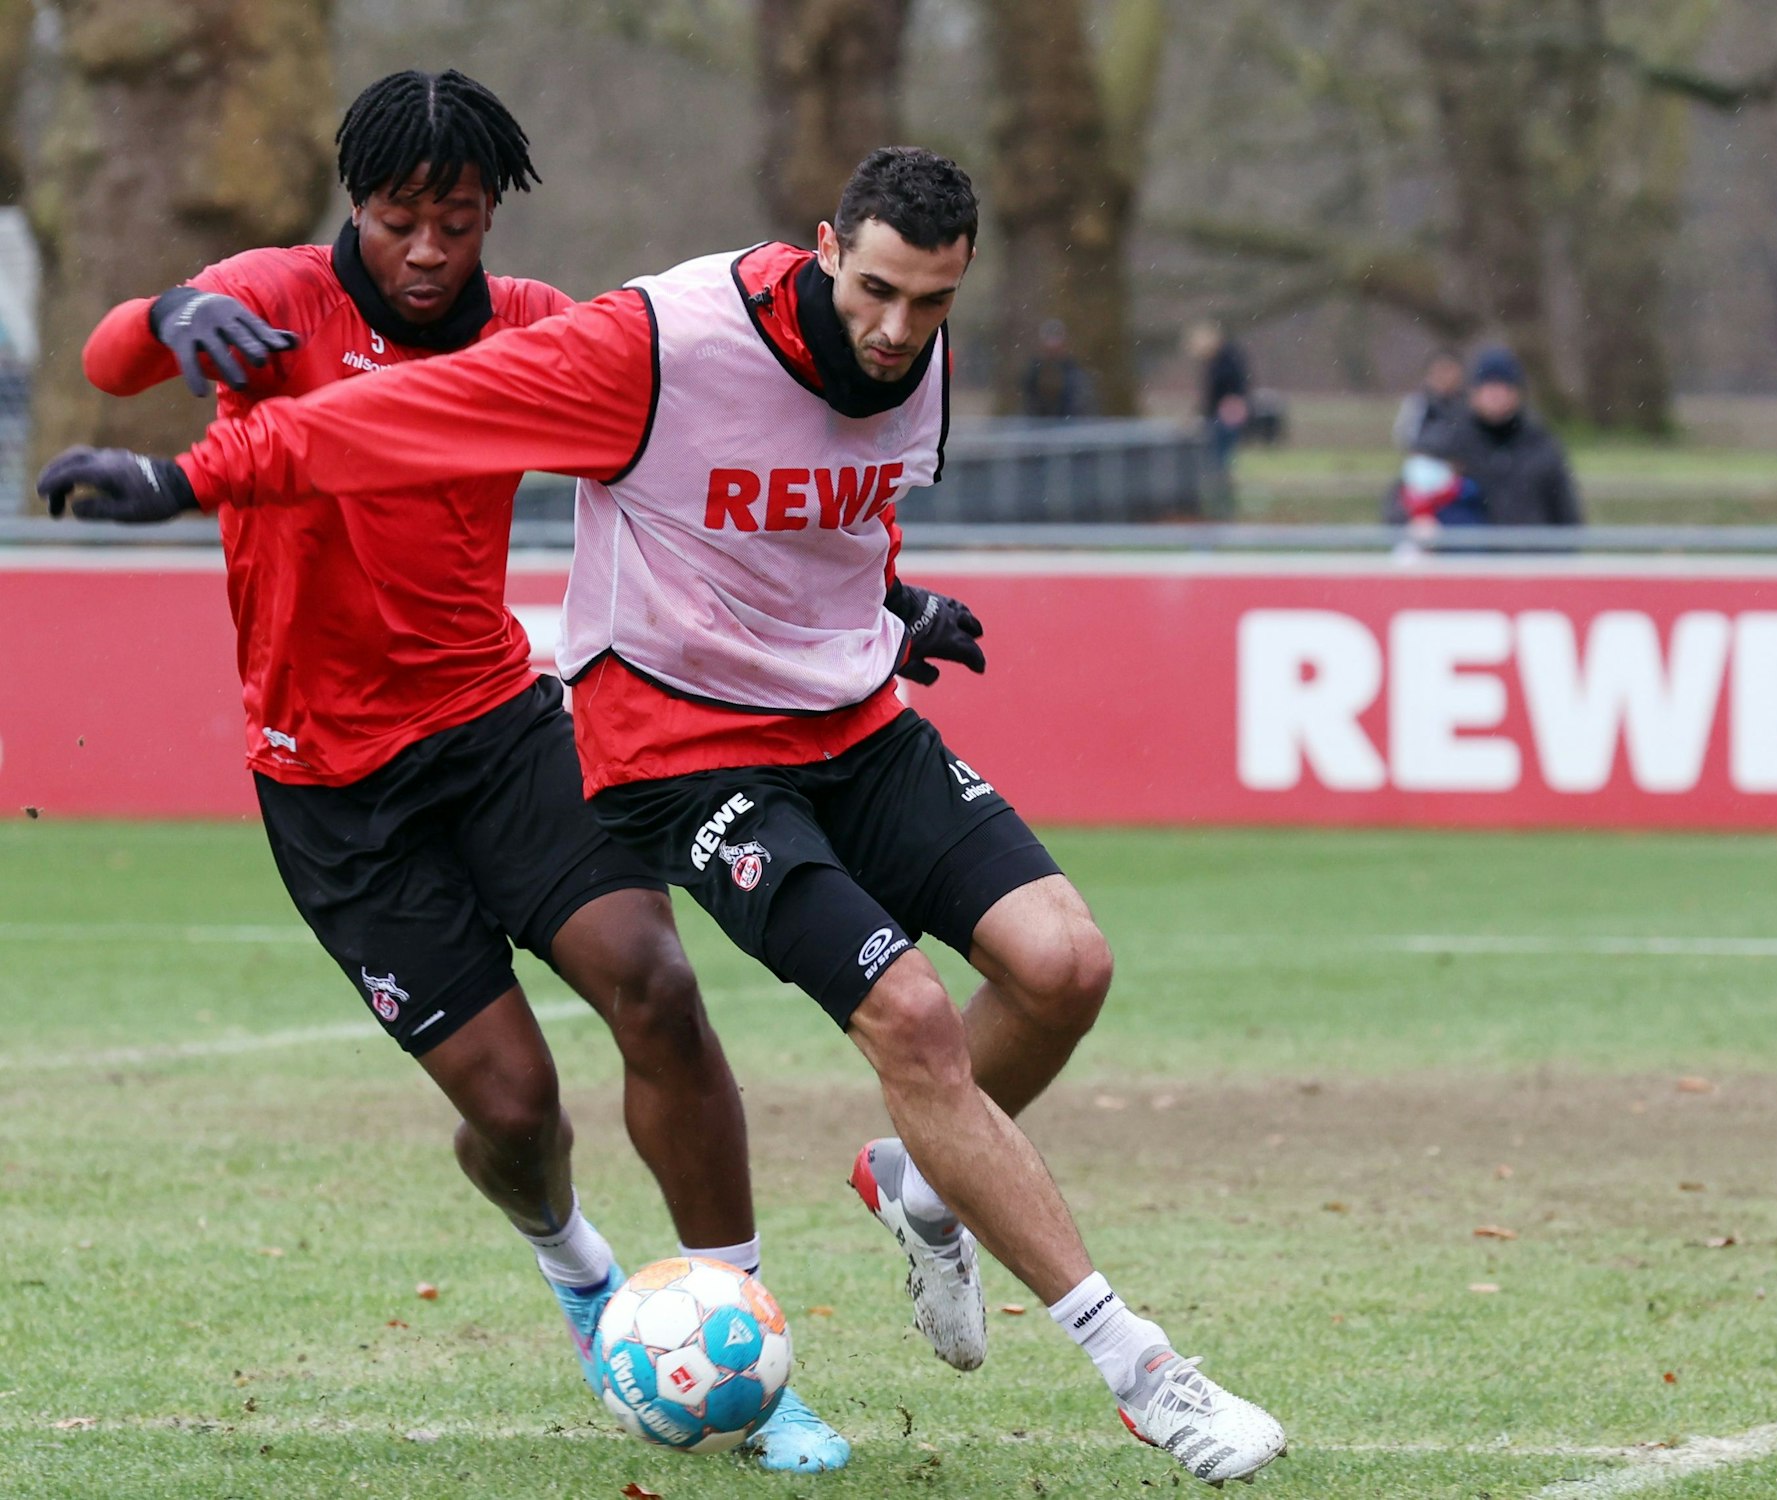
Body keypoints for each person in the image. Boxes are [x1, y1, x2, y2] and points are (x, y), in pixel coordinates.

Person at [41, 145, 1288, 1485]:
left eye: (930, 302)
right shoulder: (640, 340)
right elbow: (386, 417)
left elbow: (813, 503)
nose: (896, 329)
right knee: (584, 1092)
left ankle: (923, 1184)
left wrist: (893, 604)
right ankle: (1129, 1369)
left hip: (746, 718)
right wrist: (183, 451)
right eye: (876, 292)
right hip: (630, 750)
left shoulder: (901, 357)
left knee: (1060, 965)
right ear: (824, 247)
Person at [56, 69, 846, 1472]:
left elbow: (701, 459)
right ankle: (580, 1271)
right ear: (355, 205)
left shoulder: (538, 329)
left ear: (493, 215)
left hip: (498, 730)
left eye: (459, 222)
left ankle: (747, 1341)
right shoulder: (274, 296)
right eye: (398, 220)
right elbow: (112, 363)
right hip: (331, 786)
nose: (427, 251)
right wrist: (170, 315)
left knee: (658, 988)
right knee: (515, 1111)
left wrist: (870, 592)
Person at [1434, 345, 1582, 527]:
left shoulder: (1541, 444)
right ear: (1473, 393)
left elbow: (1566, 511)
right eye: (1488, 387)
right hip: (1470, 545)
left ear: (1517, 393)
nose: (1496, 396)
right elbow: (1414, 499)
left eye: (1503, 387)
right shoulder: (1451, 442)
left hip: (1530, 543)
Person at [1187, 319, 1253, 470]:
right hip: (1225, 412)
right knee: (1220, 452)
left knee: (1219, 452)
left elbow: (1219, 388)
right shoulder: (1224, 359)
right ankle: (1219, 476)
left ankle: (1218, 477)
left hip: (1225, 412)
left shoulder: (1224, 361)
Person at [1391, 348, 1465, 453]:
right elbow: (1405, 438)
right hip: (1428, 457)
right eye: (1440, 371)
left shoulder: (1469, 404)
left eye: (1449, 371)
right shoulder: (1418, 403)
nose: (1445, 377)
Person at [1020, 317, 1093, 418]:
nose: (1053, 344)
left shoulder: (1074, 373)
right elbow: (1028, 405)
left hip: (1069, 424)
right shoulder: (1032, 373)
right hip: (1039, 424)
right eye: (1049, 339)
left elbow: (1083, 406)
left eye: (1056, 339)